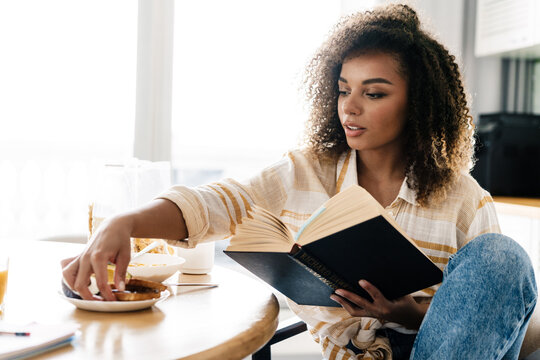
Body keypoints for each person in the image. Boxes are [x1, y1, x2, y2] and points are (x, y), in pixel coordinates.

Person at [62, 4, 537, 359]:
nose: (349, 107)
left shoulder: (464, 200)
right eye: (343, 89)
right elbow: (217, 203)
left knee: (502, 258)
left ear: (420, 104)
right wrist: (124, 222)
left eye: (373, 93)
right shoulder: (304, 171)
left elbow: (493, 319)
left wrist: (402, 311)